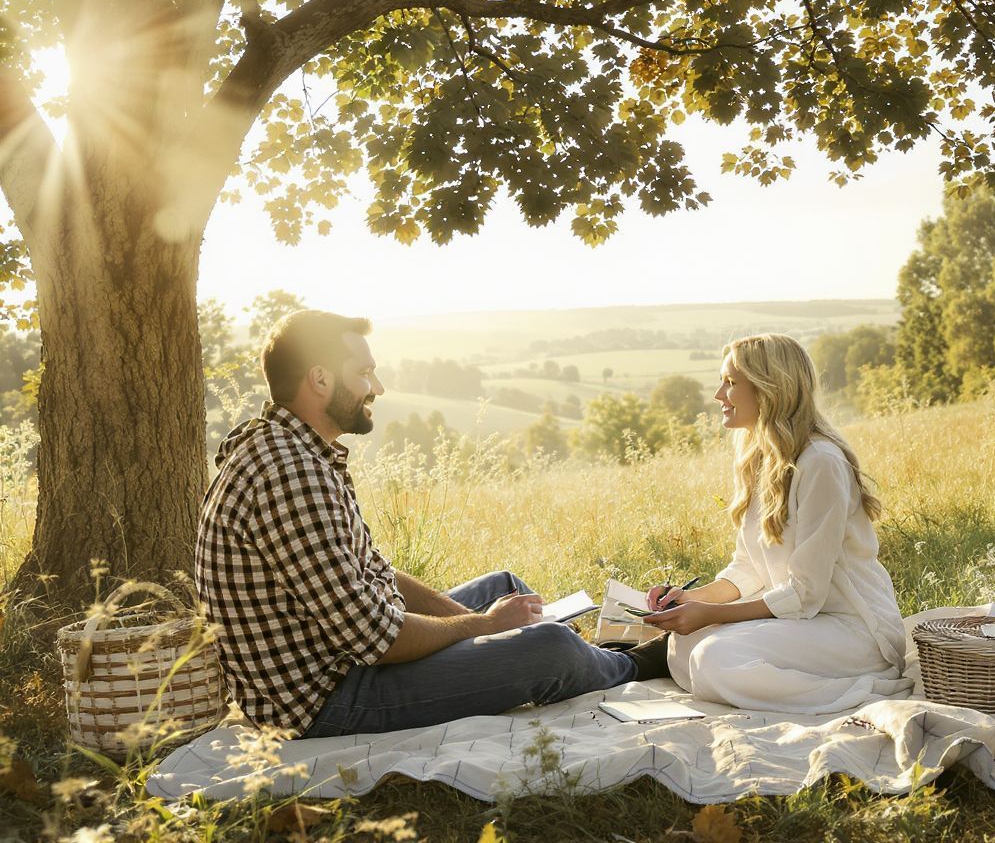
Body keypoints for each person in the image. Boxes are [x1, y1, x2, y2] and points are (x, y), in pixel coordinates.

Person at [196, 310, 666, 738]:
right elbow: (374, 638)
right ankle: (630, 666)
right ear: (319, 379)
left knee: (504, 586)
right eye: (363, 373)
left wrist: (480, 622)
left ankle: (593, 659)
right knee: (549, 648)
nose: (376, 387)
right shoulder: (289, 472)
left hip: (345, 653)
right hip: (328, 700)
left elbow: (372, 572)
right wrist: (480, 626)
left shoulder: (293, 450)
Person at [640, 333, 912, 713]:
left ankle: (865, 686)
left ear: (770, 389)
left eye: (732, 383)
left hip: (851, 629)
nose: (720, 394)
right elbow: (747, 568)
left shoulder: (822, 463)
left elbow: (806, 593)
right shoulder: (760, 460)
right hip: (803, 623)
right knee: (684, 646)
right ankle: (762, 684)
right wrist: (689, 601)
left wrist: (713, 615)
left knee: (711, 660)